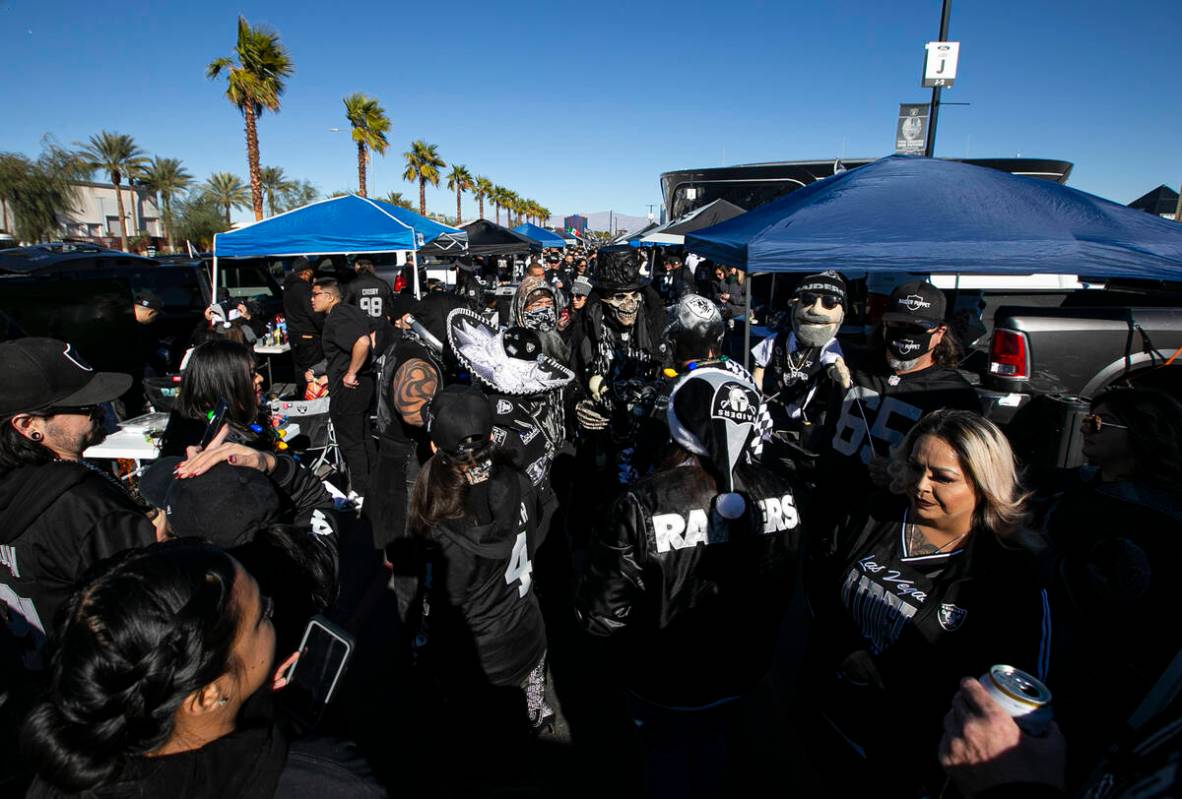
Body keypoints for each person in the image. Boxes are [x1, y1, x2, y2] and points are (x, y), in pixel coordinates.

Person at [577, 367, 802, 796]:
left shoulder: (641, 500)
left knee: (667, 764)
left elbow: (602, 615)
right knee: (714, 751)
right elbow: (784, 585)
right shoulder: (781, 489)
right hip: (742, 670)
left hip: (662, 682)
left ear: (678, 422)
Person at [21, 539, 385, 798]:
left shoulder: (67, 771)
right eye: (263, 616)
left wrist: (258, 706)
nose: (273, 613)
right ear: (209, 694)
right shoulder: (330, 783)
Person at [807, 409, 1050, 795]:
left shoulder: (1008, 572)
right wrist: (845, 646)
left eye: (943, 477)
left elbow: (1013, 691)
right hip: (829, 721)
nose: (921, 485)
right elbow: (819, 583)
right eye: (916, 467)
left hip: (915, 761)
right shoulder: (875, 515)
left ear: (983, 484)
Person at [403, 387, 551, 791]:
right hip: (529, 634)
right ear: (489, 437)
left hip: (482, 664)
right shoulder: (518, 481)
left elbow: (434, 613)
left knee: (482, 763)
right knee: (526, 745)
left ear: (435, 446)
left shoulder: (445, 530)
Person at [1033, 387, 1182, 782]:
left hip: (1090, 676)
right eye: (1086, 419)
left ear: (1139, 433)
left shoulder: (1154, 517)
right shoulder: (1087, 483)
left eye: (1098, 422)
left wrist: (1037, 549)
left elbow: (1110, 594)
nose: (1085, 428)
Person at [0, 338, 156, 669]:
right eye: (84, 406)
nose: (100, 410)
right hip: (102, 692)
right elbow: (151, 619)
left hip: (38, 691)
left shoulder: (15, 485)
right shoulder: (86, 506)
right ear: (29, 426)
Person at [819, 279, 980, 530]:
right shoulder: (852, 363)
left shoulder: (955, 395)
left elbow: (965, 476)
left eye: (917, 328)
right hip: (829, 504)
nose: (905, 335)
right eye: (897, 324)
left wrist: (905, 475)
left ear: (939, 333)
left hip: (890, 521)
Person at [751, 271, 850, 475]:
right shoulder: (778, 340)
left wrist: (837, 374)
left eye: (829, 302)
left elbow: (831, 363)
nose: (815, 309)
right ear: (794, 303)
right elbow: (759, 366)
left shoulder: (829, 345)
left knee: (806, 469)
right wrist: (755, 394)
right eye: (808, 299)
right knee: (773, 465)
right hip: (778, 415)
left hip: (812, 422)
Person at [312, 277, 375, 501]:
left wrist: (351, 372)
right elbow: (371, 335)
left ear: (330, 297)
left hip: (351, 387)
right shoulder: (352, 312)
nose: (311, 300)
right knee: (363, 436)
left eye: (315, 294)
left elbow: (363, 342)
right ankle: (372, 486)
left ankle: (360, 493)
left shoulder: (338, 316)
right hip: (363, 384)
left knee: (352, 442)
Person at [159, 339, 271, 457]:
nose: (261, 378)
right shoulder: (220, 445)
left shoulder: (235, 421)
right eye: (251, 374)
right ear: (223, 384)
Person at [283, 258, 326, 398]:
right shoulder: (304, 289)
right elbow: (314, 313)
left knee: (301, 373)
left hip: (294, 335)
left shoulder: (288, 287)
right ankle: (312, 402)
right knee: (312, 373)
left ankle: (302, 399)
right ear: (306, 273)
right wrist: (325, 328)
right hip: (309, 336)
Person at [345, 257, 396, 324]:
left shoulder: (353, 285)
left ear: (357, 266)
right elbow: (392, 305)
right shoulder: (383, 284)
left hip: (360, 326)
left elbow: (344, 306)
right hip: (380, 325)